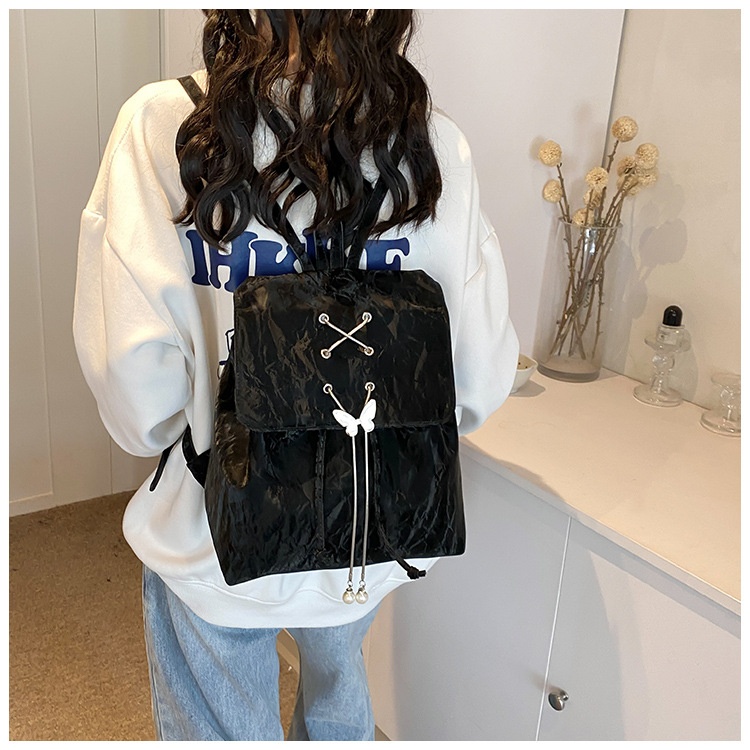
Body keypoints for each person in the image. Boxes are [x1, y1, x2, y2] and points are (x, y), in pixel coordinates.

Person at [73, 9, 518, 742]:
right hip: (369, 526)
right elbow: (474, 380)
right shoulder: (432, 144)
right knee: (341, 692)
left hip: (214, 521)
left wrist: (198, 417)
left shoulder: (165, 128)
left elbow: (133, 382)